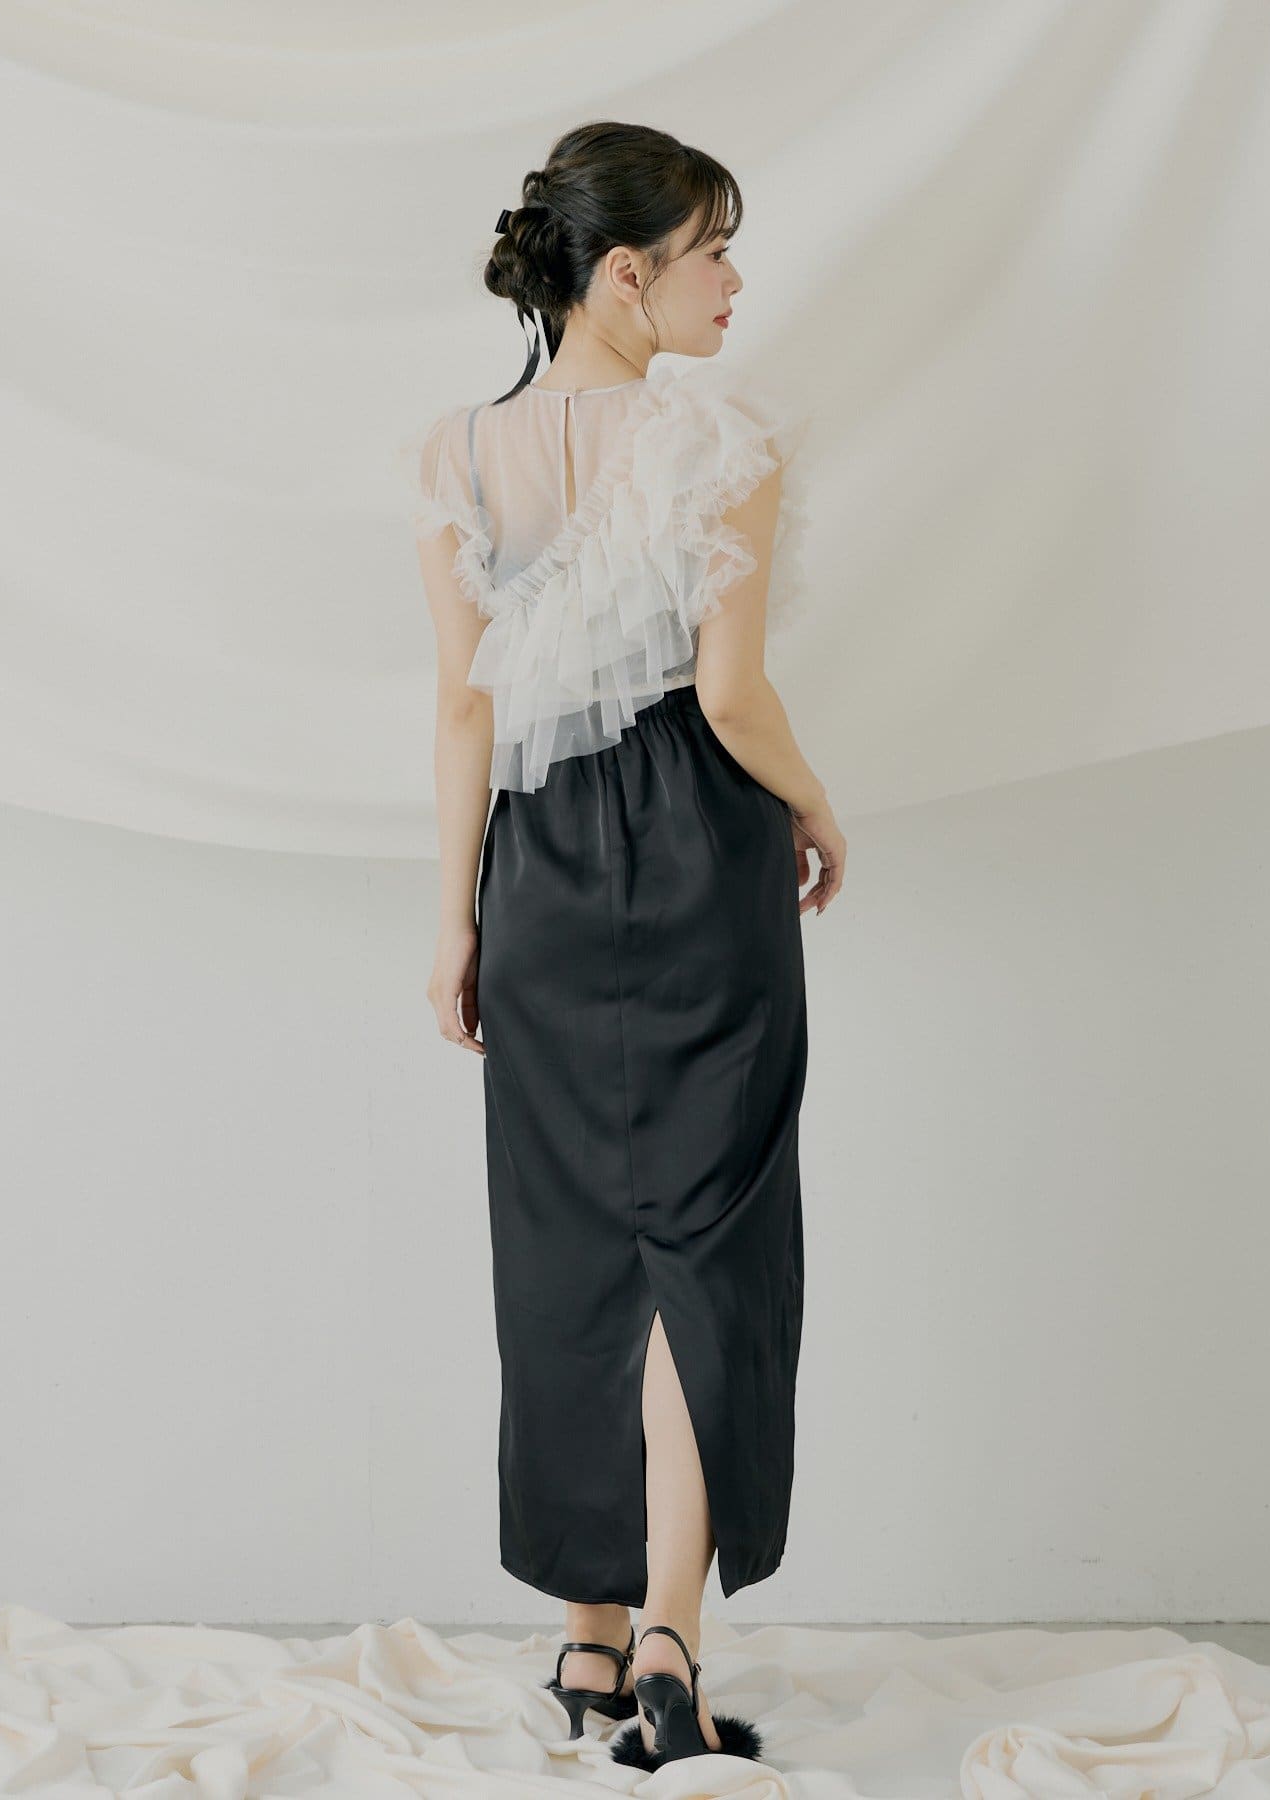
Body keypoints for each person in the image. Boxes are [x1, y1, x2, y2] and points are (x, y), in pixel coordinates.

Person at [403, 120, 846, 1771]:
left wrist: (454, 919)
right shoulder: (720, 439)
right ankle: (667, 1635)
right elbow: (729, 693)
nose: (736, 281)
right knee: (707, 1244)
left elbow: (464, 711)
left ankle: (586, 1646)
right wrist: (819, 806)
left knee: (570, 1243)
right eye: (712, 250)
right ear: (622, 275)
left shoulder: (455, 455)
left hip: (535, 864)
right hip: (699, 851)